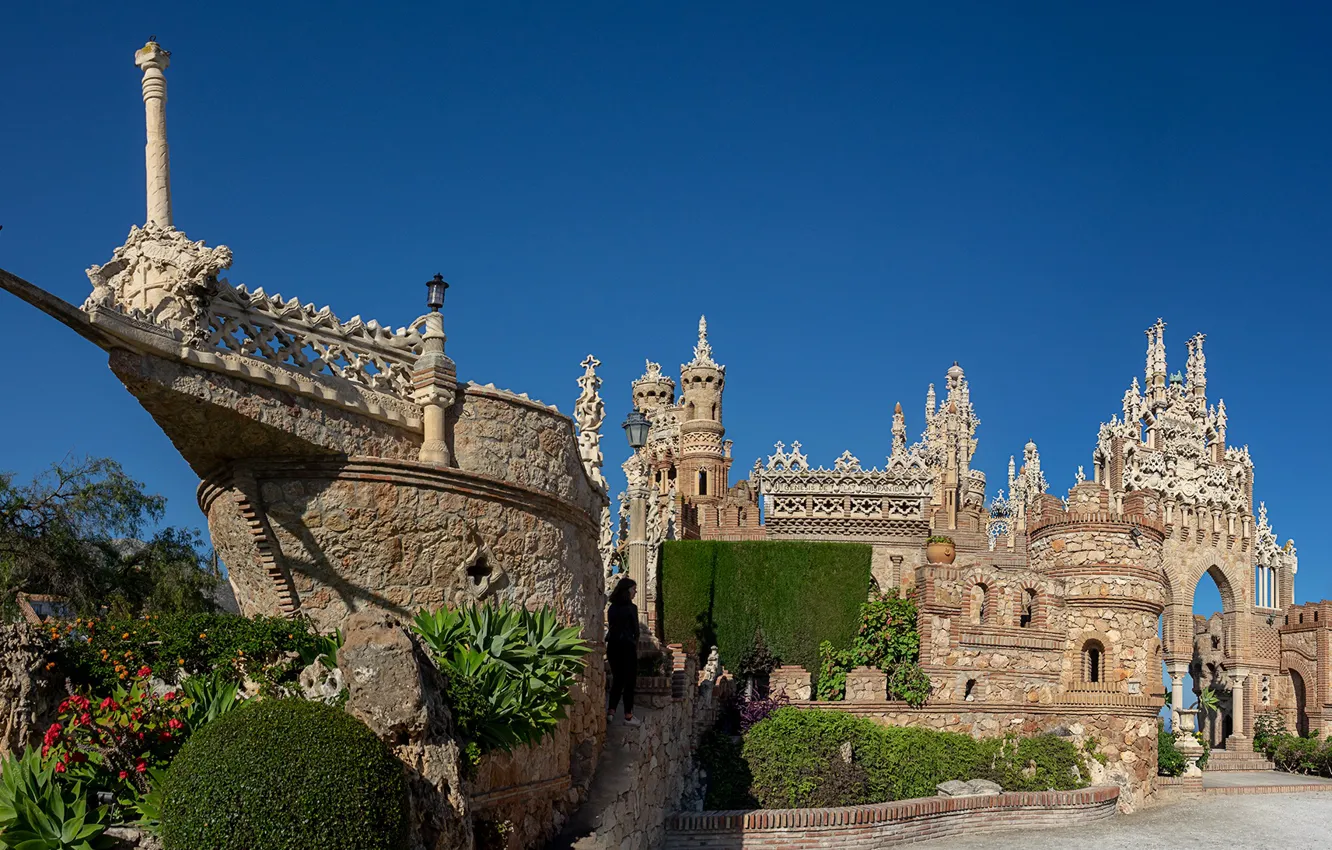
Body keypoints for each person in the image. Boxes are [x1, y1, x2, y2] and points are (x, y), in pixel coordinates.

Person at [606, 577, 641, 727]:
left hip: (612, 646)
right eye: (634, 589)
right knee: (629, 681)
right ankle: (628, 715)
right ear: (627, 591)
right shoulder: (631, 608)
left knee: (617, 679)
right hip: (627, 647)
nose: (636, 592)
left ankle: (611, 711)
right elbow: (636, 630)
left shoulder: (612, 607)